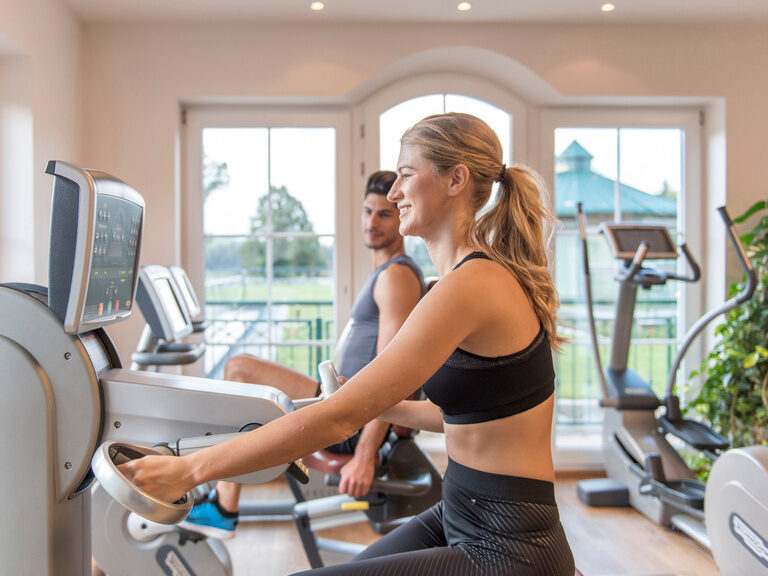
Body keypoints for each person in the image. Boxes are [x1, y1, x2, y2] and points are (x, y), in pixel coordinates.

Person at [122, 112, 576, 575]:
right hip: (459, 511)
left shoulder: (471, 284)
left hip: (507, 541)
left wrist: (190, 469)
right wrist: (387, 407)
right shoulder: (459, 281)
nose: (395, 193)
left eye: (405, 175)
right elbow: (466, 413)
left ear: (455, 179)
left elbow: (338, 418)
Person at [181, 170, 425, 539]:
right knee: (240, 372)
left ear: (400, 218)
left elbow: (391, 375)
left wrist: (364, 453)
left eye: (384, 214)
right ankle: (218, 496)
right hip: (343, 402)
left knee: (241, 369)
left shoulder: (396, 277)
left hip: (351, 419)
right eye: (367, 212)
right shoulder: (384, 272)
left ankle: (223, 505)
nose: (372, 222)